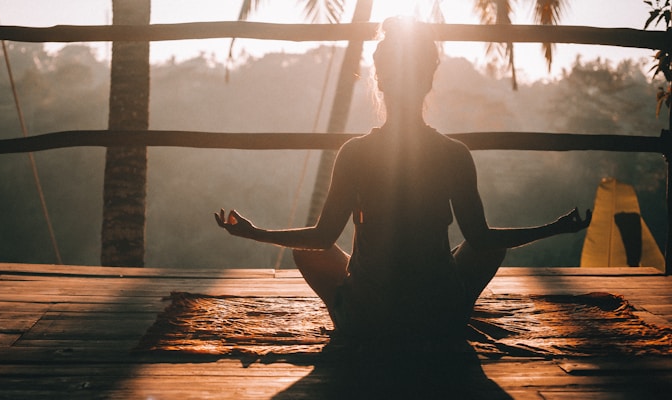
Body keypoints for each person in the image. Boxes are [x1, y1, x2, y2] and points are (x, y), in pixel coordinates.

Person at [215, 17, 591, 343]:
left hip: (368, 319)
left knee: (307, 250)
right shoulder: (453, 153)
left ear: (380, 81)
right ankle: (452, 309)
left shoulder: (355, 152)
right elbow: (482, 239)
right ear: (428, 82)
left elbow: (322, 238)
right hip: (438, 318)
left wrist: (255, 232)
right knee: (488, 246)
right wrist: (555, 228)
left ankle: (348, 313)